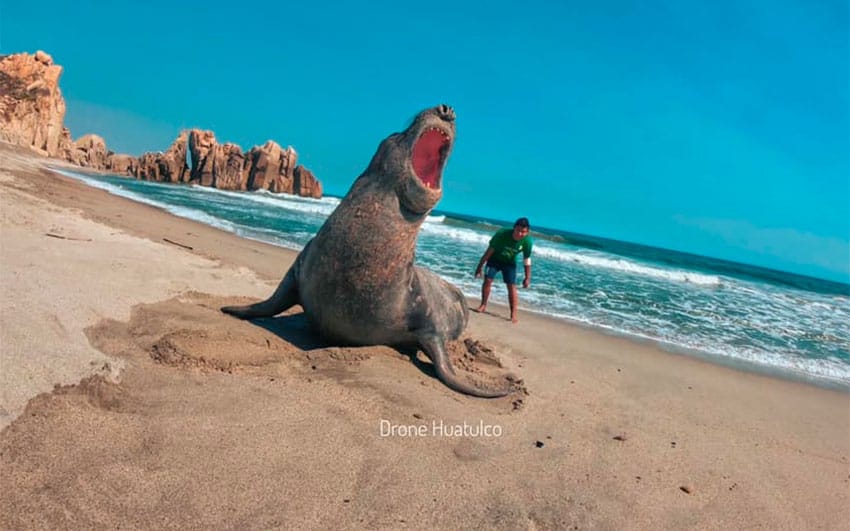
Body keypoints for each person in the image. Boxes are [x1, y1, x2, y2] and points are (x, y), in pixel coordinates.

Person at [474, 217, 533, 323]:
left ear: (527, 232)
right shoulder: (502, 234)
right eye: (518, 230)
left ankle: (513, 313)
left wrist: (527, 277)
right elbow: (489, 251)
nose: (520, 234)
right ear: (514, 228)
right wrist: (479, 267)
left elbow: (526, 260)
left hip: (509, 263)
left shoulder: (527, 242)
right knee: (487, 280)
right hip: (494, 259)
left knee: (511, 286)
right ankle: (483, 305)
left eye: (523, 232)